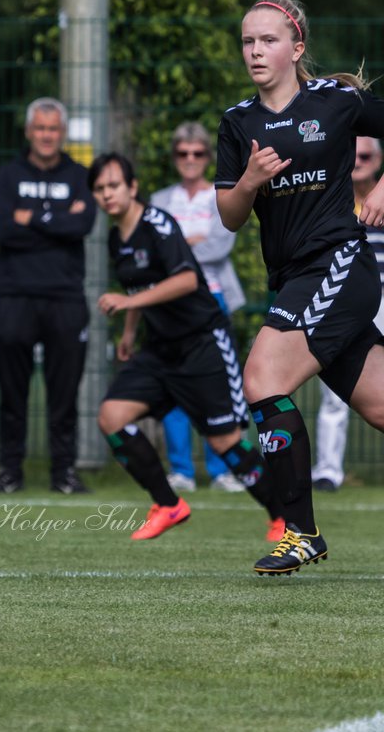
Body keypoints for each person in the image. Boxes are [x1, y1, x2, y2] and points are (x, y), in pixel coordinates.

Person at [216, 0, 384, 575]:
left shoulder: (336, 103)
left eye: (267, 40)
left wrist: (382, 187)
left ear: (297, 48)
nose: (255, 51)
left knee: (262, 376)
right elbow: (230, 215)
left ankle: (301, 532)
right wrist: (248, 181)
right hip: (295, 279)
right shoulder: (238, 122)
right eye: (247, 41)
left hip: (338, 266)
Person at [89, 153, 283, 541]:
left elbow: (185, 282)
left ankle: (283, 517)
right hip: (160, 350)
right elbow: (137, 288)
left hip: (202, 342)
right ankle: (168, 503)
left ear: (132, 187)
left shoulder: (158, 223)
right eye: (99, 189)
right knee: (112, 416)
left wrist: (128, 305)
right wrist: (129, 332)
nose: (107, 195)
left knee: (224, 441)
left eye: (113, 186)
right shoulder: (116, 237)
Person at [0, 97, 97, 494]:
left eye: (53, 129)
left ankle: (63, 472)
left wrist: (30, 217)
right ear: (29, 132)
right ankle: (10, 471)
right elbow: (2, 228)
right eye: (40, 128)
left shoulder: (81, 176)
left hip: (65, 297)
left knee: (64, 393)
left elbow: (82, 224)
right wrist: (57, 220)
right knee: (12, 392)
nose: (47, 135)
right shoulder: (8, 176)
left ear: (61, 133)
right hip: (15, 296)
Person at [150, 122, 248, 494]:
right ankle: (180, 471)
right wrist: (191, 243)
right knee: (174, 385)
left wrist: (177, 247)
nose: (190, 160)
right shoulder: (160, 200)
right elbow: (155, 254)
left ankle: (222, 469)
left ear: (208, 156)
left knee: (217, 386)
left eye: (197, 153)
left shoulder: (219, 196)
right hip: (171, 304)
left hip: (214, 297)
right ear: (175, 157)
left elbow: (220, 247)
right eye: (182, 153)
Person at [313, 136, 384, 492]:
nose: (359, 161)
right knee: (337, 390)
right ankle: (327, 471)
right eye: (352, 154)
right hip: (346, 299)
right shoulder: (333, 201)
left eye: (367, 155)